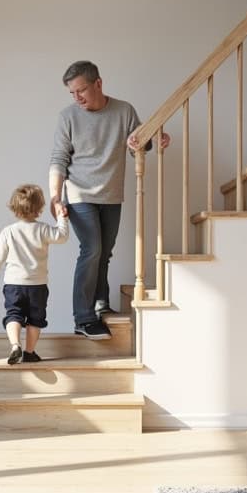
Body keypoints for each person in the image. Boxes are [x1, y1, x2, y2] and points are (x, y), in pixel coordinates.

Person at [48, 61, 169, 340]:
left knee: (105, 251)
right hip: (79, 194)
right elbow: (58, 159)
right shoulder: (68, 117)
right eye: (72, 93)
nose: (77, 98)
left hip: (111, 193)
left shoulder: (124, 111)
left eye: (81, 90)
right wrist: (56, 197)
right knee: (92, 249)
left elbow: (139, 142)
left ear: (98, 84)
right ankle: (83, 317)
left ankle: (101, 304)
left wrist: (155, 140)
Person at [0, 184, 69, 364]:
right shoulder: (43, 229)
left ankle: (15, 345)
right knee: (35, 319)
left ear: (14, 208)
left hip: (13, 284)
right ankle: (29, 352)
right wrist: (62, 217)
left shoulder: (8, 232)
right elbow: (62, 236)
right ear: (40, 208)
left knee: (13, 314)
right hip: (37, 285)